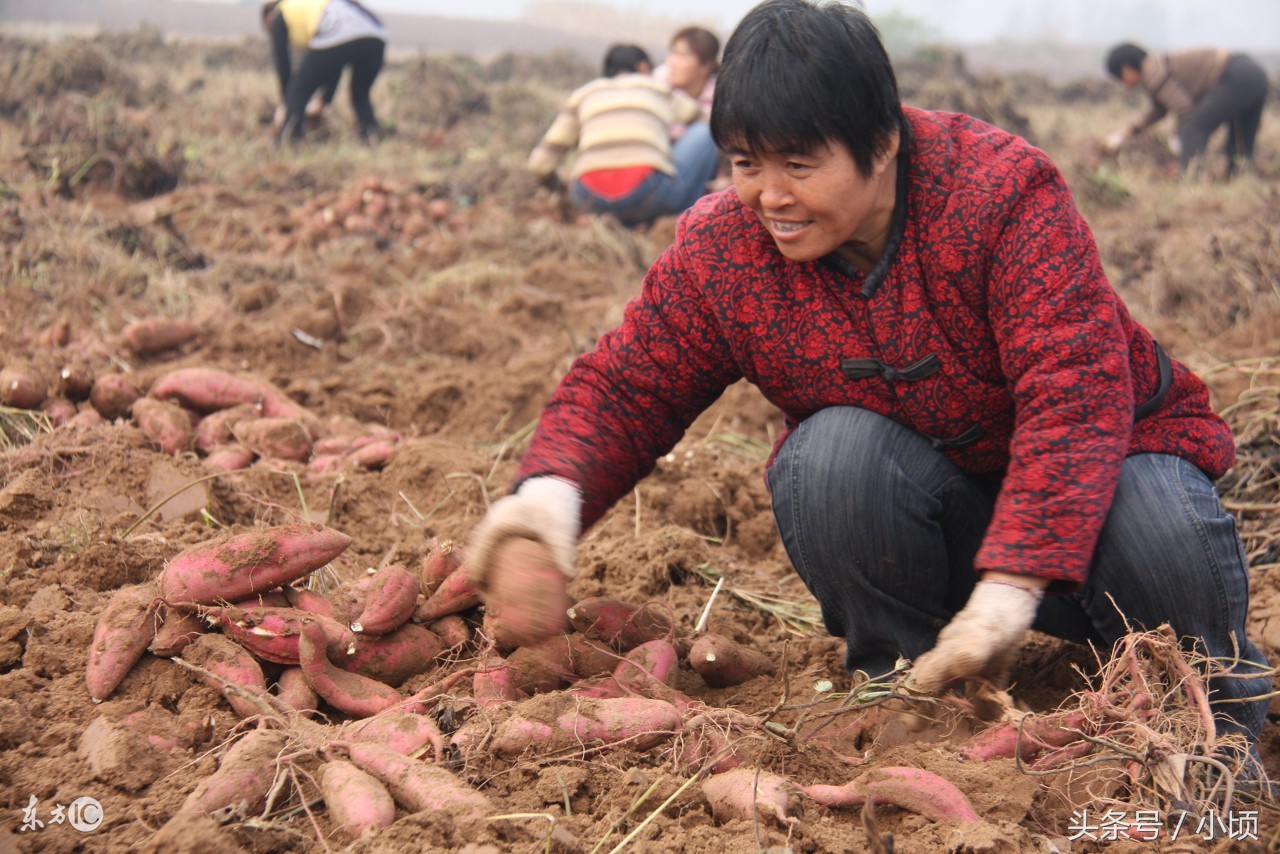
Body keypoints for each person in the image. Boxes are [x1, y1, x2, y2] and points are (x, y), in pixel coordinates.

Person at [472, 0, 1273, 765]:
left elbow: (1074, 392)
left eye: (799, 164)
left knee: (1159, 520)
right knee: (828, 460)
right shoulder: (726, 249)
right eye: (746, 164)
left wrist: (1012, 587)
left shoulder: (999, 193)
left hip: (1106, 491)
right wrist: (549, 495)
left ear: (882, 140)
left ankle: (1209, 728)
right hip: (945, 512)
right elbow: (630, 383)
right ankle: (915, 690)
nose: (769, 197)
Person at [527, 44, 721, 229]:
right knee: (705, 131)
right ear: (644, 67)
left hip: (589, 198)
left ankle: (616, 223)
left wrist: (562, 191)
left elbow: (539, 164)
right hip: (647, 194)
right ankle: (693, 221)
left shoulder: (584, 95)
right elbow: (707, 119)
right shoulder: (655, 89)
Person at [1103, 42, 1269, 178]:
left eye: (1119, 77)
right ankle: (1239, 178)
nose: (1122, 83)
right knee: (1240, 137)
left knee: (1193, 126)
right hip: (1253, 74)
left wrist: (1177, 137)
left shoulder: (1152, 72)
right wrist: (1130, 131)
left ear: (1126, 68)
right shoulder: (1157, 66)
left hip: (1234, 75)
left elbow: (1184, 108)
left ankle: (1191, 179)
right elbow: (1160, 109)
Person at [261, 0, 387, 144]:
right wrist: (324, 100)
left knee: (299, 89)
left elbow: (283, 63)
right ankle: (370, 136)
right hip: (377, 34)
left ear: (268, 18)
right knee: (360, 95)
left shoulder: (280, 12)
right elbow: (333, 64)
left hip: (338, 31)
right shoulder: (313, 7)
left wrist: (287, 102)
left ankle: (289, 140)